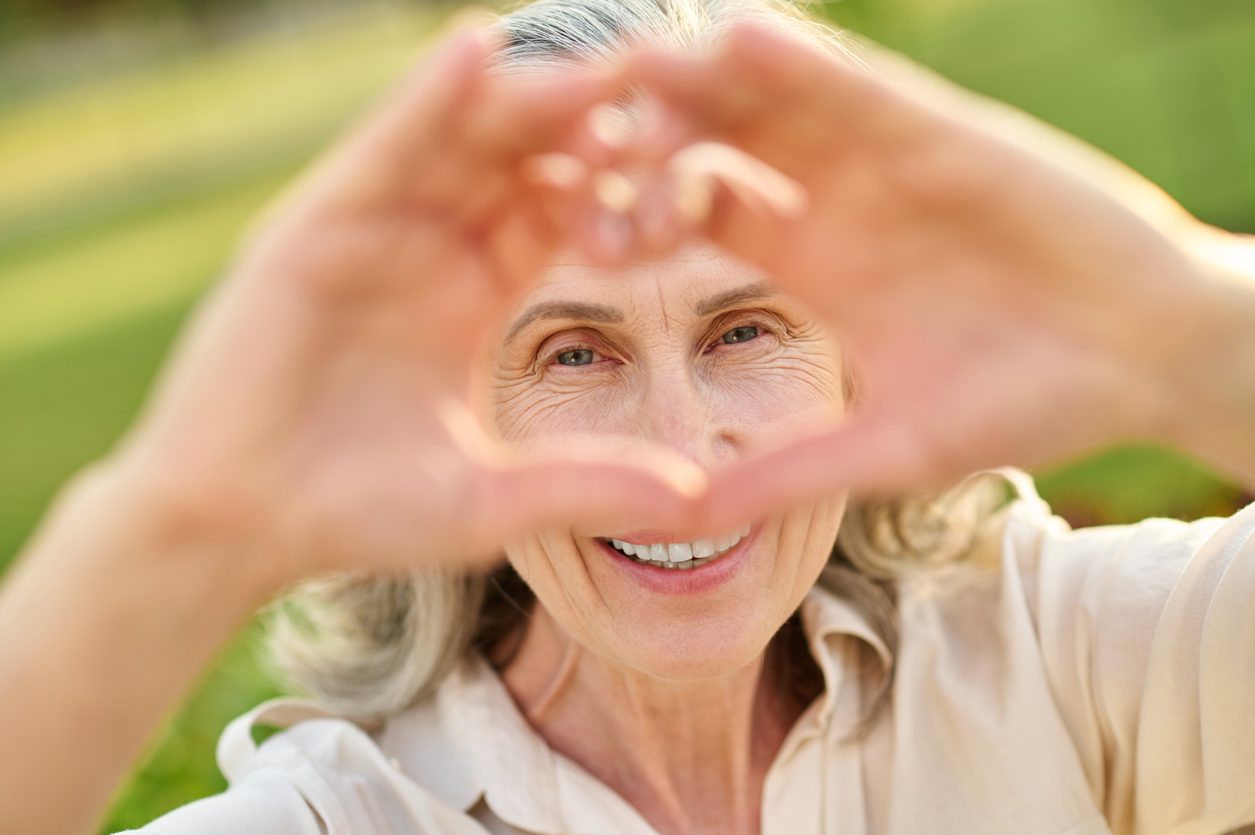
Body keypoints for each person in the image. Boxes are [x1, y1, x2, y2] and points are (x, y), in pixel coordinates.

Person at [1, 0, 1253, 832]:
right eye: (573, 352)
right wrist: (179, 523)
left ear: (856, 363)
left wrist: (1180, 328)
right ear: (458, 410)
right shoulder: (341, 819)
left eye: (746, 331)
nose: (674, 446)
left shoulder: (1059, 652)